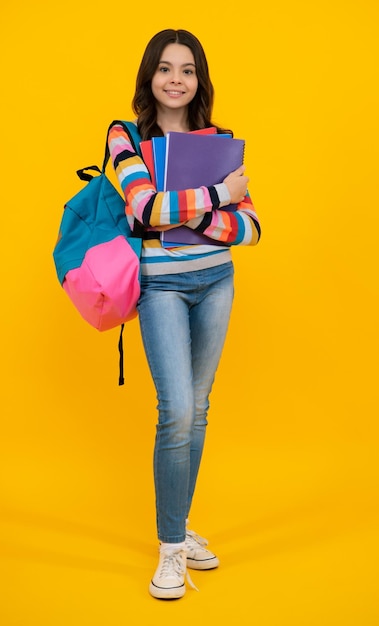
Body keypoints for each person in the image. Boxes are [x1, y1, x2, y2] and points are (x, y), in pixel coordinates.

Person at [108, 28, 261, 600]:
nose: (177, 79)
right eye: (166, 68)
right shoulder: (126, 136)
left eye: (188, 69)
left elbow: (250, 229)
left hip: (217, 281)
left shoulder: (220, 141)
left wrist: (181, 214)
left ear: (200, 80)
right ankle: (171, 550)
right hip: (161, 288)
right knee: (175, 410)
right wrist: (220, 196)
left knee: (197, 411)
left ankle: (178, 526)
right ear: (150, 77)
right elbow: (143, 206)